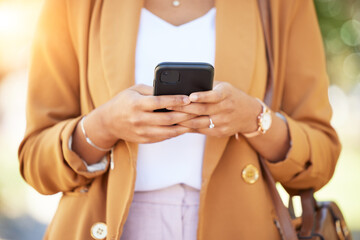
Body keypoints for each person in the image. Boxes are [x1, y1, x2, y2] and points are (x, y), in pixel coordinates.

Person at [18, 0, 341, 239]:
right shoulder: (72, 5)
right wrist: (103, 126)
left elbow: (321, 159)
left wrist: (256, 118)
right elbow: (36, 160)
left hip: (240, 224)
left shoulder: (281, 5)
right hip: (111, 224)